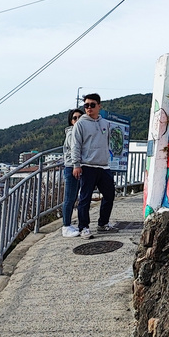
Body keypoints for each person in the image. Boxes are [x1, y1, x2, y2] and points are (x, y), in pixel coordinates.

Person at [67, 93, 115, 238]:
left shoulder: (105, 123)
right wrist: (76, 164)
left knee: (110, 194)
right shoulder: (80, 124)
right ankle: (84, 227)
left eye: (92, 105)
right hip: (87, 165)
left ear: (99, 106)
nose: (89, 108)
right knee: (85, 198)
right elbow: (76, 145)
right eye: (86, 105)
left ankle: (103, 223)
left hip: (103, 166)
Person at [60, 108, 85, 237]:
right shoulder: (72, 133)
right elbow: (75, 149)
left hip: (76, 167)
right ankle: (66, 226)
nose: (77, 120)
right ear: (71, 121)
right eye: (74, 118)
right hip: (71, 168)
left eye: (80, 117)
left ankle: (68, 224)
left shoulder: (79, 132)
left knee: (74, 196)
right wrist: (76, 165)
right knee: (69, 198)